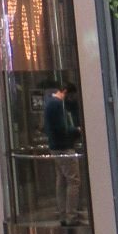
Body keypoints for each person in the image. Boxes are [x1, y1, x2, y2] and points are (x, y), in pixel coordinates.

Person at [43, 81, 81, 224]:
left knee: (61, 181)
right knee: (73, 181)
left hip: (54, 146)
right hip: (63, 146)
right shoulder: (57, 104)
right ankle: (71, 216)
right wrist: (77, 130)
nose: (71, 99)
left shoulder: (49, 102)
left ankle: (63, 214)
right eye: (71, 96)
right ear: (65, 92)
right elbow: (62, 128)